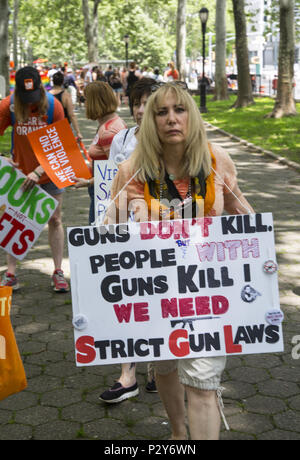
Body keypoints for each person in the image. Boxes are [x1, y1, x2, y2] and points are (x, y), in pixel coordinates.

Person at [105, 82, 254, 439]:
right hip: (156, 294)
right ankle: (177, 432)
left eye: (180, 110)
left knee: (203, 383)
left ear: (192, 115)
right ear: (150, 121)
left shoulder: (217, 161)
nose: (172, 119)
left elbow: (240, 211)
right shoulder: (132, 170)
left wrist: (262, 253)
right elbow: (108, 232)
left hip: (207, 292)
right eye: (162, 112)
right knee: (167, 366)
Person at [100, 78, 157, 404]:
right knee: (130, 301)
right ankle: (128, 375)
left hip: (163, 236)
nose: (139, 109)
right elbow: (110, 187)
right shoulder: (122, 138)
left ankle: (157, 368)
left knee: (158, 299)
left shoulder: (171, 140)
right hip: (127, 235)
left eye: (147, 103)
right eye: (136, 102)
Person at [0, 66, 70, 292]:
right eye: (25, 98)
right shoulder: (7, 106)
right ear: (17, 93)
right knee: (15, 219)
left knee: (55, 219)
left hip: (50, 172)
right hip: (20, 175)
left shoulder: (53, 106)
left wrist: (38, 171)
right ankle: (10, 273)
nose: (30, 103)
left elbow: (62, 147)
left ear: (41, 88)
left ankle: (58, 271)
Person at [72, 81, 127, 225]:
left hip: (104, 195)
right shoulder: (112, 123)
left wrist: (88, 182)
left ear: (94, 102)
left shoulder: (109, 131)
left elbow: (115, 172)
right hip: (103, 192)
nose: (84, 103)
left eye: (86, 99)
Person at [49, 71, 82, 140]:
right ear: (62, 81)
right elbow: (71, 115)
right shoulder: (66, 95)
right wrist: (78, 132)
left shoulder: (47, 95)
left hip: (50, 129)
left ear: (53, 81)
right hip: (64, 127)